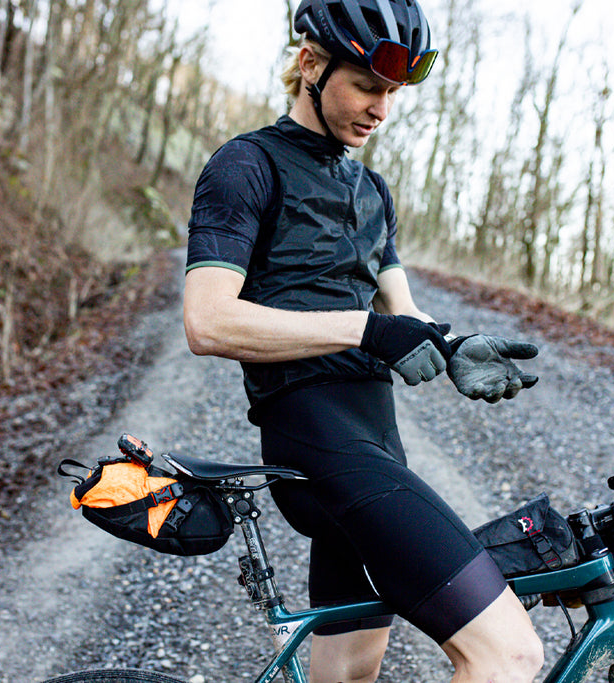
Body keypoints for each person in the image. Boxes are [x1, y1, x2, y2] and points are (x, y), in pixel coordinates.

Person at [182, 1, 543, 681]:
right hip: (317, 442)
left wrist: (452, 343)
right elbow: (207, 321)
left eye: (394, 94)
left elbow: (401, 310)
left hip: (377, 438)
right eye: (369, 86)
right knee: (509, 654)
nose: (382, 109)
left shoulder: (373, 190)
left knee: (349, 673)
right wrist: (366, 329)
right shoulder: (247, 165)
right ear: (310, 64)